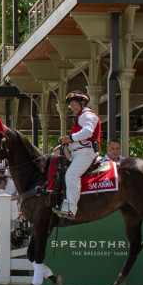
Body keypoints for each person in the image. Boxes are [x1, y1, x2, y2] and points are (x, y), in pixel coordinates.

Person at [53, 90, 100, 219]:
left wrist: (70, 138)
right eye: (70, 105)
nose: (72, 107)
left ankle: (71, 210)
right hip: (77, 154)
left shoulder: (87, 115)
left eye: (74, 103)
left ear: (83, 102)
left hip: (86, 153)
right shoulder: (80, 117)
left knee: (71, 174)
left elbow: (88, 132)